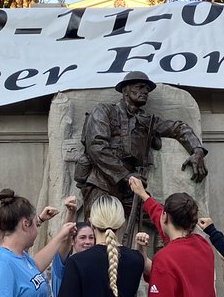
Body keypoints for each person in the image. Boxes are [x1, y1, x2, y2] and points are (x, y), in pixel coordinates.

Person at [75, 73, 207, 219]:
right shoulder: (104, 111)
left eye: (147, 89)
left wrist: (197, 150)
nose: (145, 91)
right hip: (102, 180)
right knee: (98, 225)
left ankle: (159, 242)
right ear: (125, 90)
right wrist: (125, 175)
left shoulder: (148, 121)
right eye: (140, 87)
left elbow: (178, 128)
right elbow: (96, 146)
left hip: (132, 185)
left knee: (163, 218)